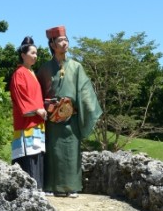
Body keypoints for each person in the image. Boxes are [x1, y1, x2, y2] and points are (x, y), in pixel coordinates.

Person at [37, 25, 102, 196]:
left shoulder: (76, 66)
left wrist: (89, 108)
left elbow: (85, 89)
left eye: (66, 40)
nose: (64, 43)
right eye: (60, 40)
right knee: (53, 152)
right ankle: (50, 186)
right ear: (52, 44)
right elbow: (38, 93)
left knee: (72, 152)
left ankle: (72, 186)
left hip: (71, 118)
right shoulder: (44, 69)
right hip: (52, 119)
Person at [9, 36, 47, 189]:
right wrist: (36, 109)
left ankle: (38, 188)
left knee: (37, 155)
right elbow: (21, 97)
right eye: (32, 53)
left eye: (36, 53)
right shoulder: (19, 73)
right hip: (27, 122)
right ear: (23, 55)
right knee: (29, 156)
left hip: (37, 122)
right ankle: (30, 189)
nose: (35, 56)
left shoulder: (32, 73)